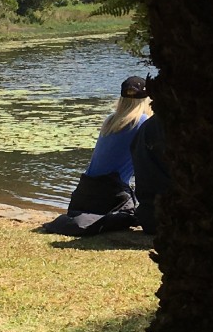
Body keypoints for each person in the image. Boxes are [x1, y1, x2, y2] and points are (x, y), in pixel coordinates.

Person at [41, 76, 153, 236]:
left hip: (82, 194)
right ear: (147, 100)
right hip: (109, 196)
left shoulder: (110, 121)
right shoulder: (142, 122)